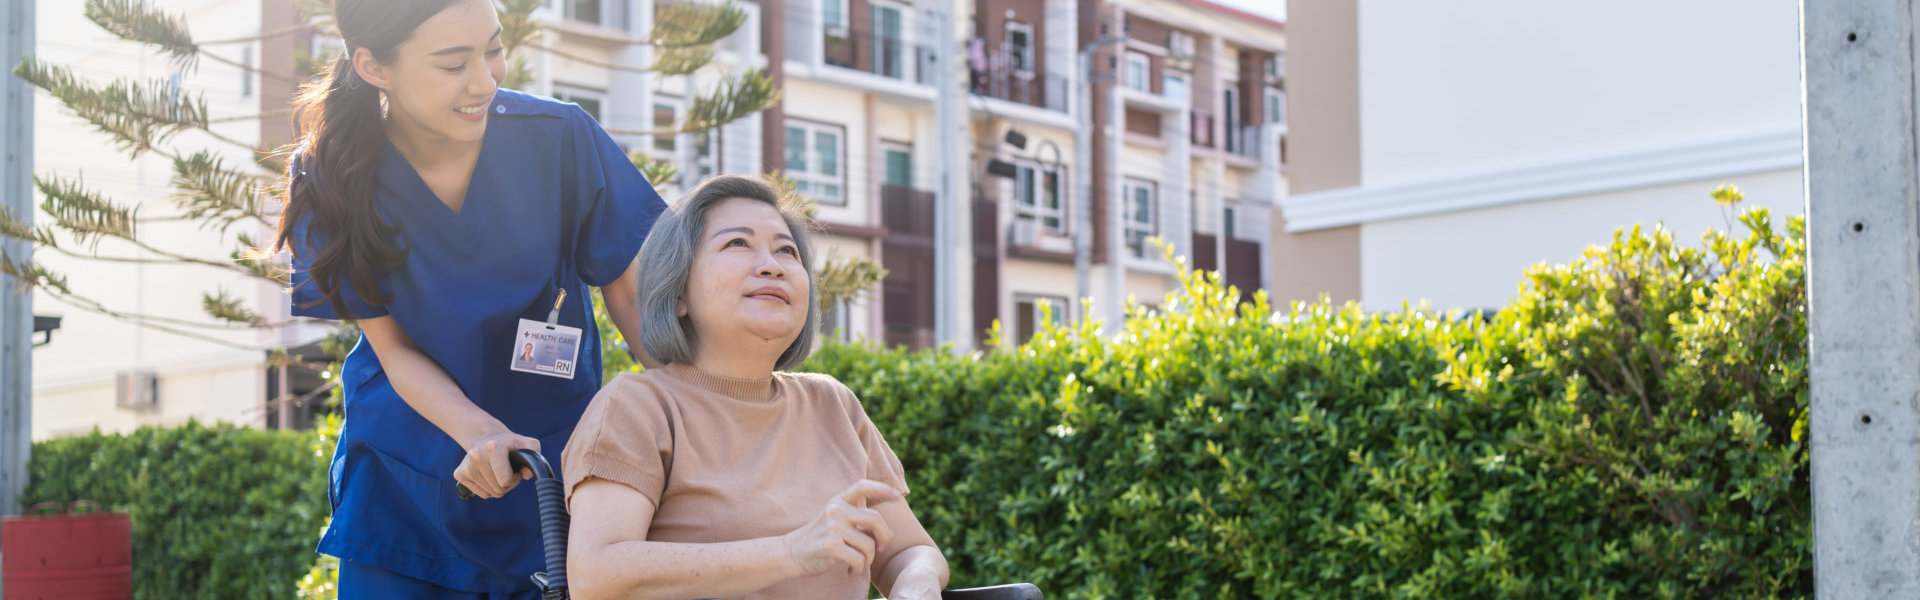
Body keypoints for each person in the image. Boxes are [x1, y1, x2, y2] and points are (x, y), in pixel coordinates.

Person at [270, 0, 666, 596]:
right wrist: (480, 433)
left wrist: (705, 418)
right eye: (453, 64)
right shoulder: (330, 176)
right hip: (408, 487)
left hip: (552, 479)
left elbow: (635, 302)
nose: (484, 80)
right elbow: (394, 349)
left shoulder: (561, 139)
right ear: (376, 67)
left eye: (493, 49)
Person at [561, 176, 950, 600]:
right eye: (737, 244)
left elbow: (910, 551)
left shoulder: (833, 405)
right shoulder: (637, 407)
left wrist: (915, 585)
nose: (772, 265)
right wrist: (792, 552)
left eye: (787, 250)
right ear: (677, 293)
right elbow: (596, 575)